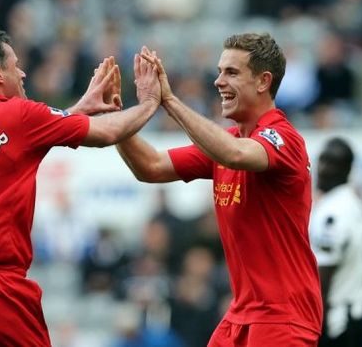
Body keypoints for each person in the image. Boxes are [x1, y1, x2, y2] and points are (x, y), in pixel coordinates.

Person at [0, 29, 161, 347]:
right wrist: (151, 102)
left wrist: (82, 106)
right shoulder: (18, 115)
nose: (22, 72)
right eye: (15, 65)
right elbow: (107, 133)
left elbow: (23, 132)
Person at [116, 33, 323, 346]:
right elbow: (151, 167)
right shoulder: (225, 142)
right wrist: (115, 117)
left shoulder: (284, 139)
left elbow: (236, 155)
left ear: (263, 81)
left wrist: (170, 101)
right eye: (219, 71)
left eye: (232, 72)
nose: (218, 81)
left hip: (284, 314)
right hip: (241, 313)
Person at [309, 138, 362, 347]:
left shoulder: (334, 212)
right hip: (355, 309)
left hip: (338, 318)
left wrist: (314, 325)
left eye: (332, 163)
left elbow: (323, 275)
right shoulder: (350, 203)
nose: (324, 169)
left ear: (347, 169)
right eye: (323, 161)